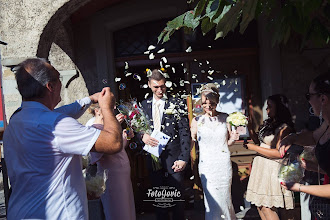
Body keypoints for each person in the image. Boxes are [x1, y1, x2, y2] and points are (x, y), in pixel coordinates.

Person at [3, 58, 122, 219]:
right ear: (50, 86)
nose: (61, 83)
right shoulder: (57, 125)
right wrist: (107, 108)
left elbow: (58, 113)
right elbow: (113, 143)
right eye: (59, 79)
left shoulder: (17, 119)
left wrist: (89, 100)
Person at [140, 69, 190, 220]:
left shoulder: (176, 103)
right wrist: (142, 136)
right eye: (156, 87)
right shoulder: (143, 105)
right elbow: (137, 130)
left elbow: (184, 132)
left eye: (162, 86)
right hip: (154, 160)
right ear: (149, 85)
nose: (160, 90)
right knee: (160, 203)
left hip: (174, 161)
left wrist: (184, 157)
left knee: (177, 203)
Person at [280, 73, 330, 218]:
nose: (308, 101)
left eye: (309, 96)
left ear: (323, 99)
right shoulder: (326, 125)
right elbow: (313, 136)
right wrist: (292, 138)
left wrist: (299, 187)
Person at [190, 83, 239, 220]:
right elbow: (192, 142)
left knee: (224, 198)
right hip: (207, 166)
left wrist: (234, 139)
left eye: (211, 102)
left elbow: (227, 142)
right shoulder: (197, 120)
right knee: (212, 202)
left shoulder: (226, 118)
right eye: (204, 102)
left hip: (223, 164)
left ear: (217, 101)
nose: (207, 105)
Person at [244, 94, 295, 220]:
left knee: (267, 207)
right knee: (260, 206)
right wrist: (250, 128)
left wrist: (253, 148)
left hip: (271, 169)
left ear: (279, 108)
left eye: (270, 107)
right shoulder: (270, 124)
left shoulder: (285, 128)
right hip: (261, 168)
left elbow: (279, 153)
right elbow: (261, 143)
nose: (267, 110)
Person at [86, 104, 136, 220]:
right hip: (111, 175)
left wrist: (125, 138)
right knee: (117, 210)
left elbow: (119, 148)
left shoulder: (109, 126)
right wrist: (115, 127)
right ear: (98, 111)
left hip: (123, 173)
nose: (113, 109)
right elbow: (100, 152)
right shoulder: (94, 128)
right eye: (108, 107)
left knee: (127, 207)